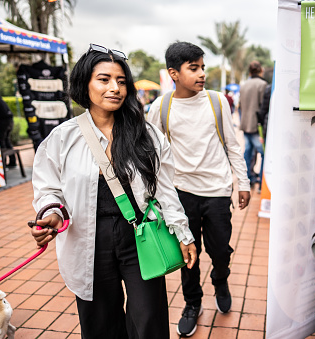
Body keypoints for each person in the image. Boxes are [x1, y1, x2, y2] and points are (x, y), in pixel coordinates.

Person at [30, 44, 197, 339]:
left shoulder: (145, 134)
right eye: (104, 79)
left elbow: (165, 189)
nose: (115, 88)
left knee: (149, 320)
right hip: (87, 237)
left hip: (140, 234)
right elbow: (48, 188)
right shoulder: (63, 137)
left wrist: (182, 232)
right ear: (86, 84)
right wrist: (52, 213)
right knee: (100, 323)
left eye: (121, 81)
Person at [146, 41, 251, 337]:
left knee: (220, 250)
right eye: (194, 68)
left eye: (202, 67)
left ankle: (220, 278)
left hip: (217, 191)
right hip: (180, 194)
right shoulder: (160, 107)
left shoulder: (218, 101)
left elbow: (232, 145)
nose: (202, 73)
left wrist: (242, 183)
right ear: (174, 73)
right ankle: (192, 303)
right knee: (188, 255)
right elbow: (151, 153)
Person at [239, 61, 267, 188]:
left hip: (245, 124)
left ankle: (247, 179)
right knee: (263, 154)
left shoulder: (244, 85)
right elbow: (263, 107)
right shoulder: (263, 84)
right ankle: (261, 183)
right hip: (257, 125)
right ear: (260, 70)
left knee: (247, 153)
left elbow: (240, 105)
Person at [0, 89, 16, 167]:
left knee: (0, 141)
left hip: (1, 121)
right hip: (9, 119)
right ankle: (13, 162)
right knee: (6, 140)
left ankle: (2, 165)